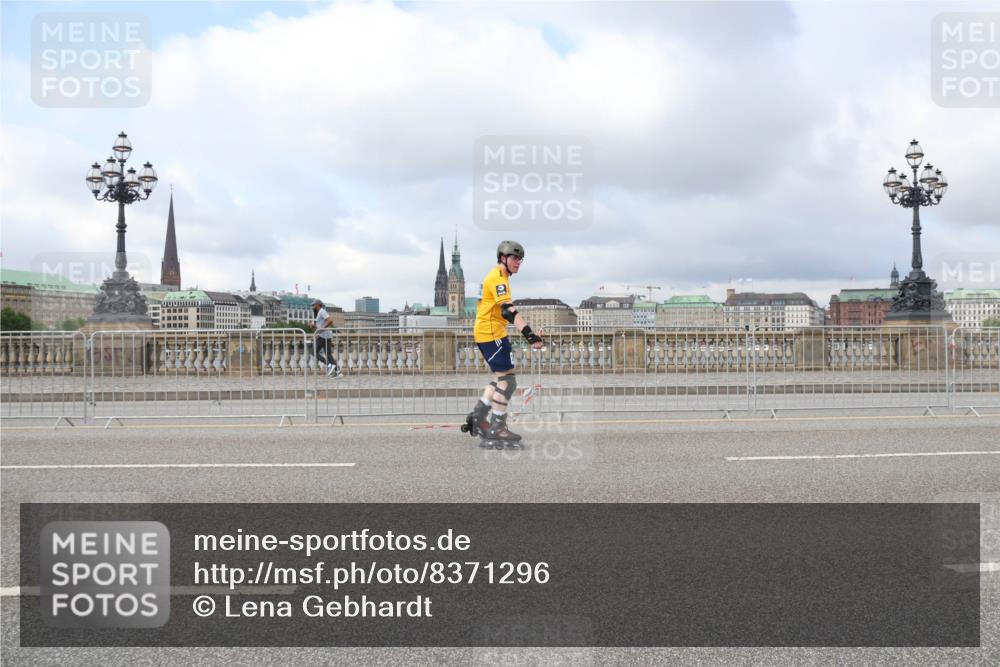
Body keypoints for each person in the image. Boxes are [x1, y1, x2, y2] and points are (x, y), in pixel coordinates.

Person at [463, 240, 543, 448]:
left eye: (520, 259)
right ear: (503, 258)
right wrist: (530, 335)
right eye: (514, 258)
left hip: (488, 332)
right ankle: (497, 427)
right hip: (492, 334)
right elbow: (508, 311)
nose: (518, 262)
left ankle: (479, 416)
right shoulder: (498, 278)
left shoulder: (498, 276)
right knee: (508, 381)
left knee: (501, 379)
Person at [311, 299, 342, 377]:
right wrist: (314, 326)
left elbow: (330, 320)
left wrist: (321, 330)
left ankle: (329, 365)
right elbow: (321, 325)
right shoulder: (319, 313)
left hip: (323, 336)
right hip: (325, 335)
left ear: (318, 305)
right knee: (328, 355)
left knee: (313, 352)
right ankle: (338, 372)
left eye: (313, 305)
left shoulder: (322, 311)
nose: (312, 306)